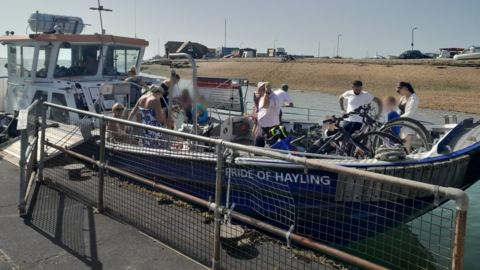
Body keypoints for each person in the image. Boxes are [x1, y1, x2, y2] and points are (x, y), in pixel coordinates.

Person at [255, 82, 282, 147]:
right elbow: (262, 111)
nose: (258, 94)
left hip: (271, 130)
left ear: (265, 90)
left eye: (260, 92)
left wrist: (267, 92)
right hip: (261, 129)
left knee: (272, 151)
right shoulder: (262, 97)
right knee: (257, 150)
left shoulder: (274, 98)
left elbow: (265, 105)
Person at [396, 82, 419, 153]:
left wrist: (397, 119)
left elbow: (409, 113)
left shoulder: (414, 99)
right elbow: (399, 110)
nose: (398, 93)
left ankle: (408, 160)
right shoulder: (402, 98)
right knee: (401, 144)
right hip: (401, 124)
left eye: (398, 91)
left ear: (404, 88)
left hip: (409, 124)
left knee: (406, 145)